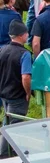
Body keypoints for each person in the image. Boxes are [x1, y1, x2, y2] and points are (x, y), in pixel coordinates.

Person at [0, 20, 31, 150]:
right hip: (17, 95)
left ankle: (9, 150)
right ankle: (4, 154)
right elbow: (25, 76)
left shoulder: (2, 49)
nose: (27, 35)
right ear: (21, 35)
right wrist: (28, 92)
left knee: (7, 121)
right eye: (26, 33)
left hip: (4, 93)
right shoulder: (24, 54)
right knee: (14, 125)